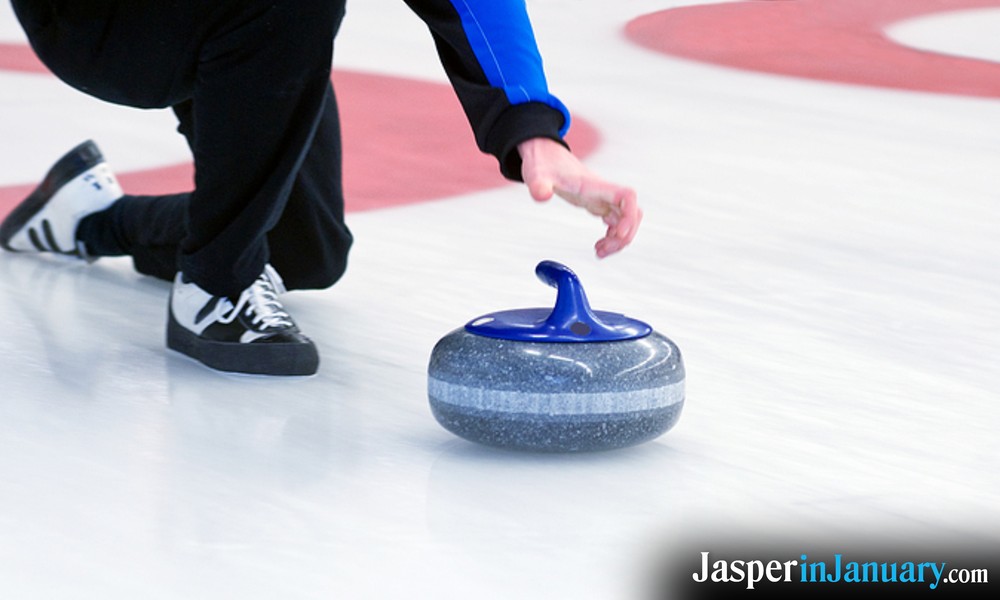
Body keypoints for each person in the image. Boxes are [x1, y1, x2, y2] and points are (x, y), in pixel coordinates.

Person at [1, 0, 642, 376]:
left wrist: (531, 129)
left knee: (301, 247)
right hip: (100, 18)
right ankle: (216, 285)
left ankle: (90, 217)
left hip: (244, 20)